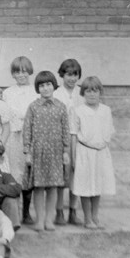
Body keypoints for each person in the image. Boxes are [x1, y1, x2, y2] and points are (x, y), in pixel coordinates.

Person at [22, 71, 70, 232]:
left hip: (56, 152)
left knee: (53, 187)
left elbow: (65, 130)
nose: (45, 88)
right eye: (41, 85)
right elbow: (27, 129)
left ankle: (50, 219)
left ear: (54, 86)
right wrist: (27, 151)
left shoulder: (61, 107)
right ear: (37, 88)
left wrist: (65, 151)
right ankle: (40, 220)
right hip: (38, 151)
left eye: (48, 84)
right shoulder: (33, 107)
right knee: (39, 187)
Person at [69, 76, 116, 229]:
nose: (92, 94)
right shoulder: (78, 111)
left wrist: (103, 145)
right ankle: (87, 218)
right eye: (88, 91)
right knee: (85, 185)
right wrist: (74, 158)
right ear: (83, 93)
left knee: (97, 185)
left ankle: (95, 217)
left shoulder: (106, 110)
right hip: (84, 152)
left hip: (101, 152)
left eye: (95, 91)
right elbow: (74, 135)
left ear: (100, 92)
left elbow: (108, 131)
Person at [2, 57, 38, 225]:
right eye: (17, 72)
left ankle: (26, 212)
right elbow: (6, 114)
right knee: (15, 172)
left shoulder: (35, 91)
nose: (21, 75)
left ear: (29, 71)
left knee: (28, 172)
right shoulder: (8, 92)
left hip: (31, 135)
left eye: (24, 71)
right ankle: (13, 213)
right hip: (14, 136)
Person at [53, 58, 85, 226]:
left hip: (79, 139)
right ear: (62, 75)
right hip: (61, 139)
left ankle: (73, 210)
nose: (72, 78)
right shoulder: (56, 94)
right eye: (68, 75)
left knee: (76, 175)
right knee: (61, 176)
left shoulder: (82, 93)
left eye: (75, 75)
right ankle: (59, 212)